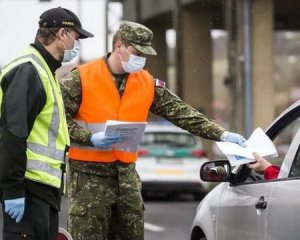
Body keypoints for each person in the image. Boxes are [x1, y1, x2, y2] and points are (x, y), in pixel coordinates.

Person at [60, 20, 246, 240]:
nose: (141, 58)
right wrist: (90, 138)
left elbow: (182, 113)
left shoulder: (147, 83)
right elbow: (57, 120)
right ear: (119, 46)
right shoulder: (79, 78)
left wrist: (221, 134)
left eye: (144, 53)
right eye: (136, 52)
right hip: (88, 179)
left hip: (126, 178)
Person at [0, 7, 93, 240]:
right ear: (62, 34)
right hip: (29, 190)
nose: (76, 44)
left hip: (41, 191)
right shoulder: (29, 70)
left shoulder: (44, 69)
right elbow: (13, 134)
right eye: (76, 37)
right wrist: (13, 191)